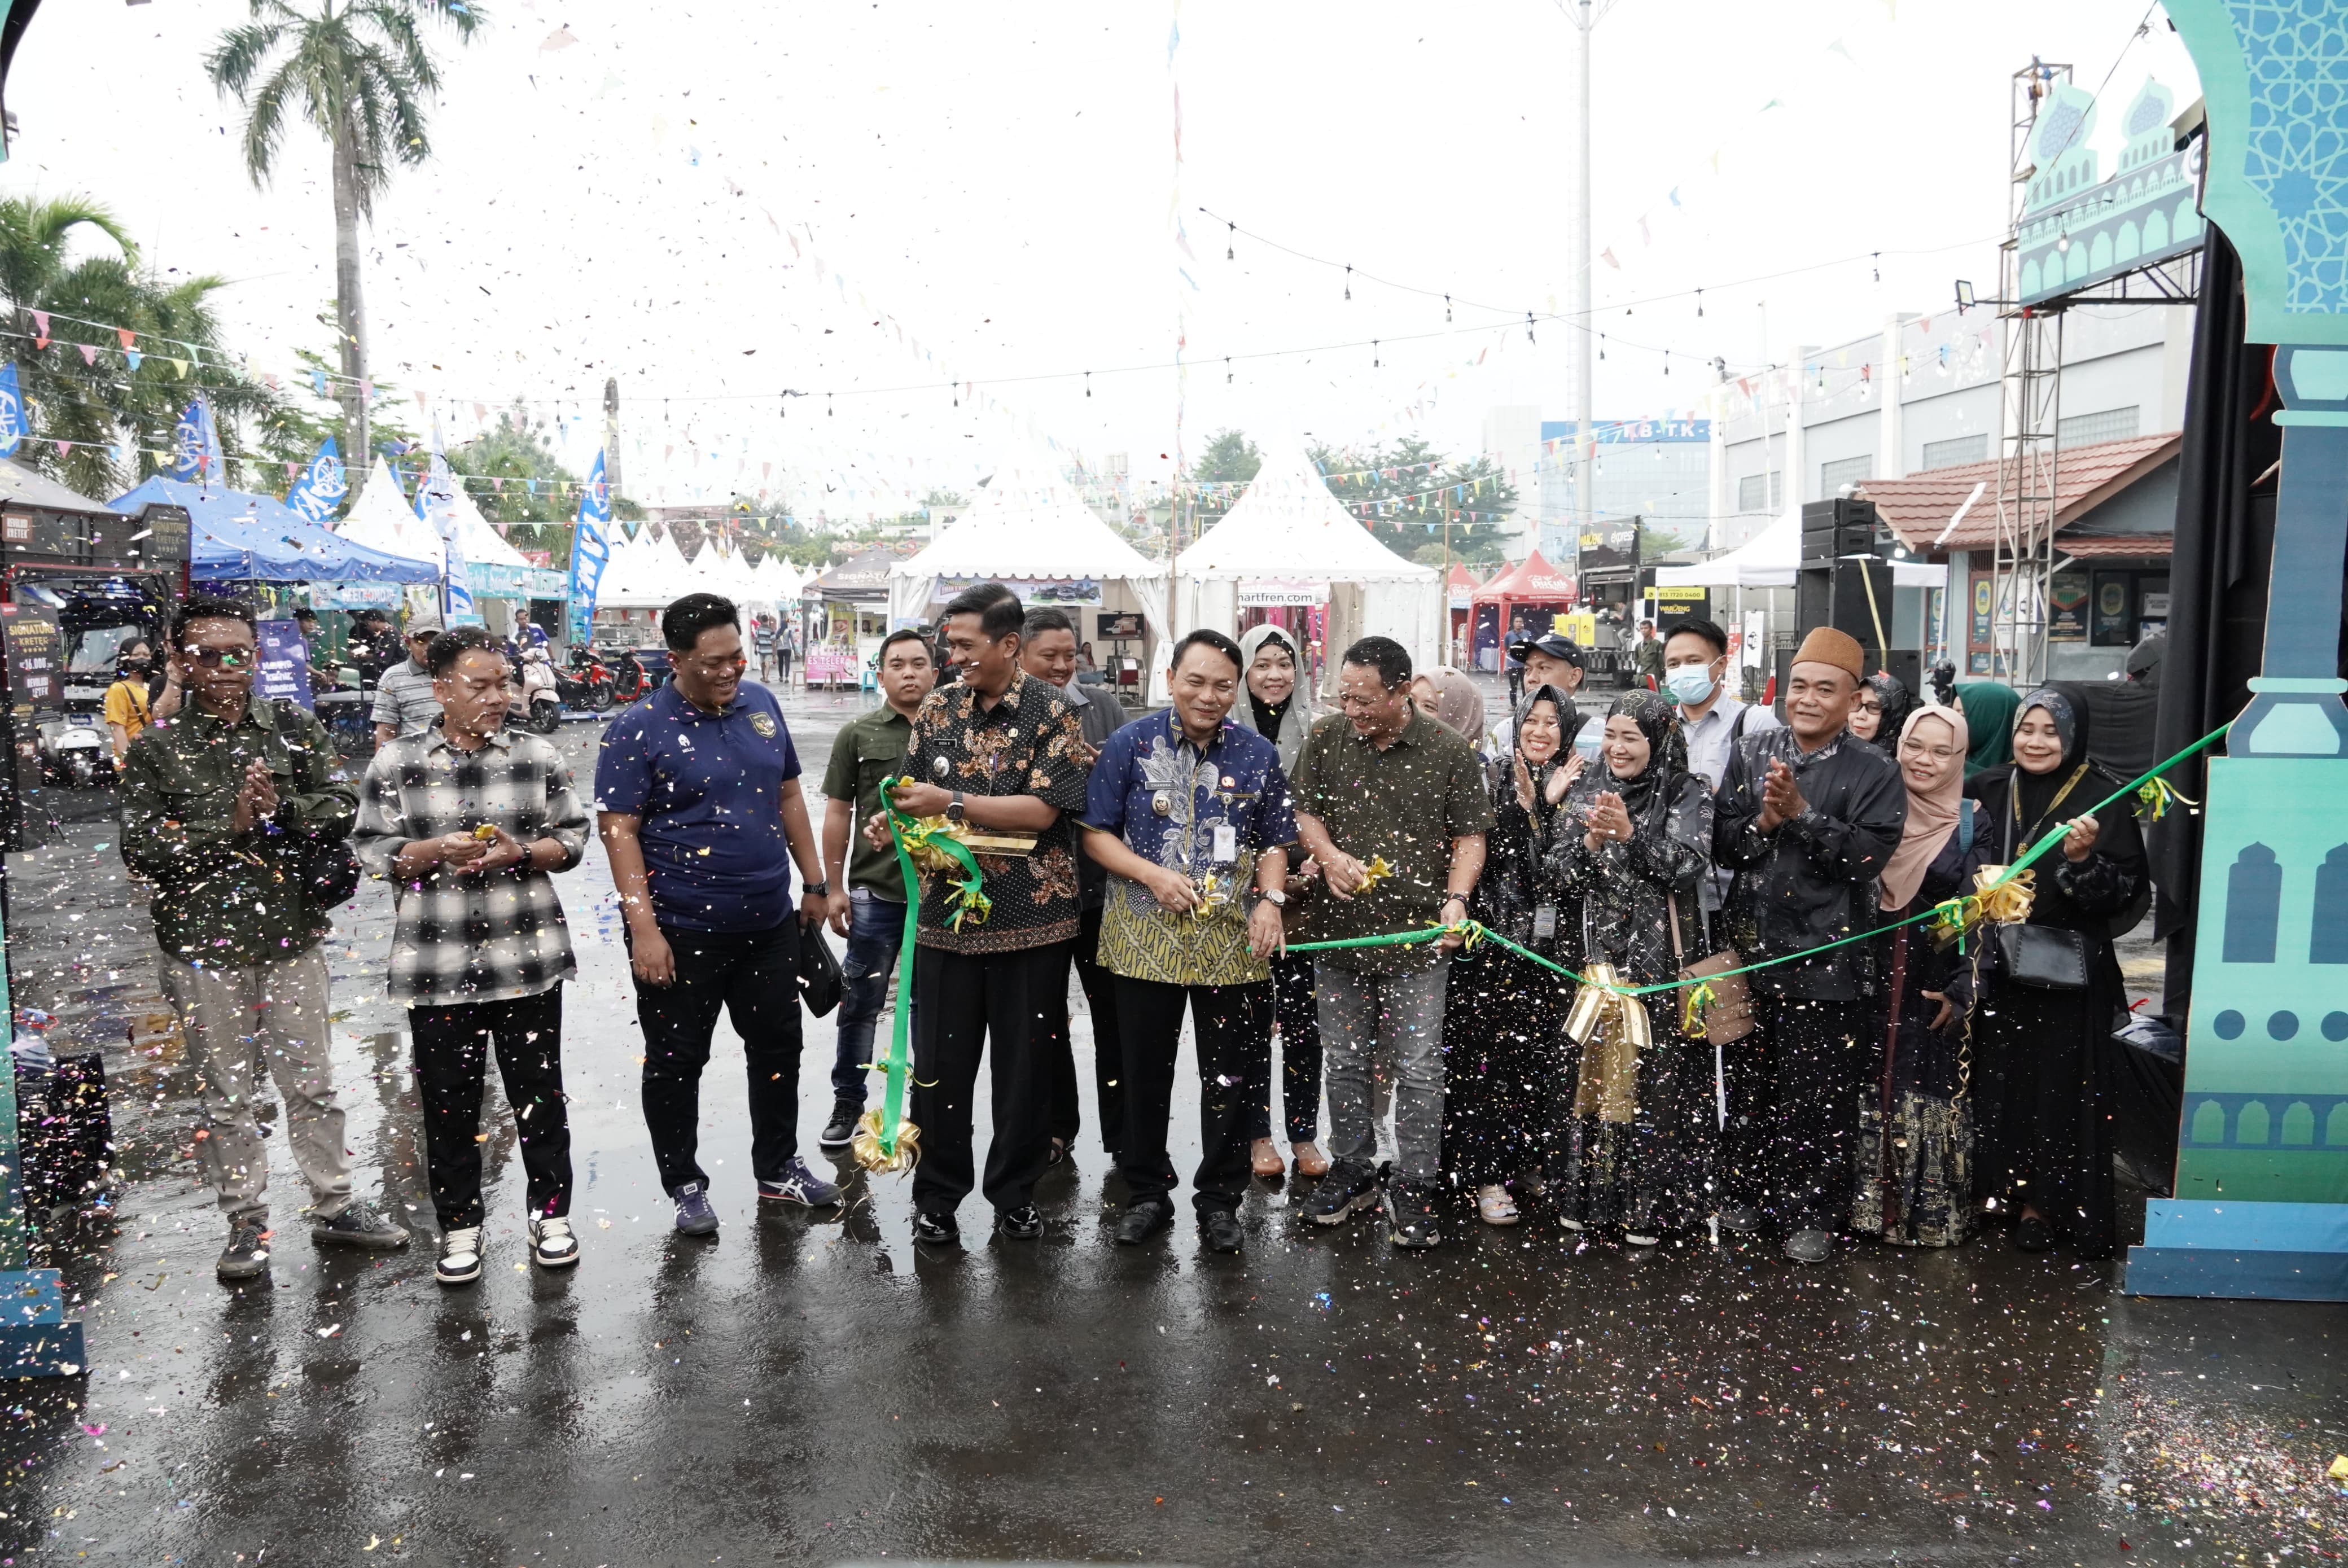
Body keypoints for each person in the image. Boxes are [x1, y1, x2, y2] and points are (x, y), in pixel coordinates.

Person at [119, 597, 409, 1281]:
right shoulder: (157, 748)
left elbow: (344, 806)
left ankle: (334, 1206)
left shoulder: (291, 726)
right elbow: (142, 851)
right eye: (207, 654)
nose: (224, 667)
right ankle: (244, 1222)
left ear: (256, 655)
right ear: (179, 661)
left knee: (312, 1083)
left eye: (238, 653)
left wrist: (286, 809)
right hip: (201, 945)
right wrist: (233, 823)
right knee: (226, 1094)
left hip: (290, 935)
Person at [595, 592, 839, 1237]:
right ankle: (684, 1183)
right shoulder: (636, 728)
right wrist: (643, 929)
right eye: (714, 663)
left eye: (738, 656)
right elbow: (618, 831)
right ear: (675, 659)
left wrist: (812, 881)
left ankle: (778, 1165)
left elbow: (787, 791)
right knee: (676, 1061)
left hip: (767, 923)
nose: (731, 670)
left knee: (777, 1046)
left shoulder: (760, 706)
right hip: (679, 930)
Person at [353, 625, 589, 1284]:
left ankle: (551, 1215)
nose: (496, 697)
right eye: (478, 685)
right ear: (439, 690)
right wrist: (432, 852)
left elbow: (571, 838)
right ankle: (460, 1225)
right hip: (437, 965)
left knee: (539, 1096)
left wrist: (522, 852)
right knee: (449, 1104)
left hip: (528, 959)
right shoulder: (397, 763)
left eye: (503, 684)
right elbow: (373, 849)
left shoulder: (535, 755)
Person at [870, 582, 1093, 1249]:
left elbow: (1044, 810)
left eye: (965, 645)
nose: (952, 655)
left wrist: (953, 800)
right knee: (940, 1069)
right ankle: (936, 1198)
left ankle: (1014, 1196)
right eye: (950, 644)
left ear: (1006, 645)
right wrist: (894, 817)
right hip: (946, 926)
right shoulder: (937, 709)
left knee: (1023, 1073)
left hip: (1034, 923)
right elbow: (916, 797)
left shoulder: (1054, 713)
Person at [1080, 630, 1293, 1253]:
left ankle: (1220, 1199)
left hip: (1231, 941)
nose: (1208, 695)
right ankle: (1146, 1192)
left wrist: (1270, 902)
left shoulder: (1256, 754)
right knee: (1142, 1073)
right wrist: (1150, 874)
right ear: (1169, 678)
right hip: (1141, 937)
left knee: (1228, 1077)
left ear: (1237, 687)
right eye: (1195, 681)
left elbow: (1276, 841)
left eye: (1223, 684)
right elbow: (1095, 833)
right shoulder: (1128, 743)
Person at [1710, 626, 1906, 1263]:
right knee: (1747, 1087)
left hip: (1827, 961)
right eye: (1798, 686)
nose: (1808, 700)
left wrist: (1800, 814)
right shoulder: (1752, 749)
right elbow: (1725, 846)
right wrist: (1766, 820)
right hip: (1750, 951)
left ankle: (1808, 1213)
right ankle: (1742, 1195)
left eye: (1825, 690)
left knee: (1815, 1099)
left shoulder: (1875, 770)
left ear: (1853, 702)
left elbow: (1864, 858)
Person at [1290, 636, 1493, 1249]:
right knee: (1346, 1061)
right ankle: (1351, 1169)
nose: (1351, 709)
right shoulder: (1326, 739)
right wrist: (1325, 856)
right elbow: (1304, 814)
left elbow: (1470, 839)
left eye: (1365, 699)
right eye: (1344, 696)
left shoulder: (1449, 753)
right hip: (1340, 934)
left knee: (1418, 1068)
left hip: (1418, 939)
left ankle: (1413, 1182)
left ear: (1402, 690)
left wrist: (1456, 899)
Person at [1965, 685, 2147, 1258]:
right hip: (1993, 970)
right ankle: (1997, 1190)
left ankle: (2045, 1204)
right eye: (2026, 729)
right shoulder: (1987, 787)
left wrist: (2080, 863)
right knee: (1997, 1084)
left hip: (2064, 979)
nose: (2034, 742)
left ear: (2071, 737)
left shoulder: (2101, 798)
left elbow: (2120, 896)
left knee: (2054, 1092)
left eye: (2049, 732)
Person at [1547, 691, 1718, 1246]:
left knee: (1656, 1087)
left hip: (1659, 971)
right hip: (1596, 968)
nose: (1617, 748)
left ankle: (1652, 1208)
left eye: (1632, 737)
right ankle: (1591, 1202)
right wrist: (1589, 841)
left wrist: (1631, 837)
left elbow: (1685, 865)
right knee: (1594, 1083)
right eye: (1612, 735)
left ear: (1659, 740)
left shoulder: (1685, 791)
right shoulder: (1588, 788)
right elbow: (1556, 876)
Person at [1444, 683, 1582, 1225]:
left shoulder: (1582, 781)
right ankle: (1485, 1174)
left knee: (1542, 1064)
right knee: (1487, 1065)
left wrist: (1546, 810)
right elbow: (1489, 857)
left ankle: (1527, 1160)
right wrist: (1528, 810)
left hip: (1552, 956)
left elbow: (1564, 874)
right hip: (1493, 949)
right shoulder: (1492, 774)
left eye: (1553, 722)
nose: (1541, 731)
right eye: (1533, 720)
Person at [1852, 706, 1987, 1250]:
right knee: (1863, 1078)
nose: (1924, 761)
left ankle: (1922, 1216)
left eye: (1940, 751)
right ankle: (1863, 1210)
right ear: (1899, 744)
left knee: (1921, 1084)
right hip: (1866, 973)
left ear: (1958, 758)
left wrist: (1965, 987)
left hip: (1929, 980)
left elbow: (1982, 911)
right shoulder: (1871, 803)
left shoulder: (1973, 819)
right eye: (1915, 746)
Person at [816, 628, 938, 1150]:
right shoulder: (859, 734)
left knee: (929, 1008)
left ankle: (927, 1105)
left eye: (918, 663)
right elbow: (838, 813)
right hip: (875, 896)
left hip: (942, 900)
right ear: (880, 673)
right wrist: (833, 887)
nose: (909, 673)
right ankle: (848, 1101)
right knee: (861, 1002)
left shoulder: (955, 734)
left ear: (936, 671)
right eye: (897, 665)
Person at [1017, 606, 1123, 1162]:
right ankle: (1056, 1128)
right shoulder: (1006, 716)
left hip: (1099, 890)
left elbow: (1130, 787)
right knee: (1043, 1019)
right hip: (1032, 894)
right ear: (1018, 655)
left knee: (1114, 1015)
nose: (1062, 666)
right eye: (1048, 657)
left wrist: (1102, 765)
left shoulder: (1102, 706)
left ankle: (1123, 1133)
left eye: (1069, 655)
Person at [1231, 624, 1326, 1178]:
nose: (1274, 675)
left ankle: (1305, 1136)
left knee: (1302, 1023)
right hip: (1241, 896)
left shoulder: (1315, 732)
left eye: (1284, 664)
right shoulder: (1225, 735)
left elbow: (1329, 809)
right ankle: (1257, 1134)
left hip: (1306, 901)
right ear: (1244, 671)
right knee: (1247, 1022)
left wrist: (1314, 861)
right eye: (1262, 664)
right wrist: (1255, 876)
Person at [1661, 618, 1780, 791]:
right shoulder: (1660, 727)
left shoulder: (1755, 725)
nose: (1683, 670)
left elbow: (1771, 800)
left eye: (1694, 661)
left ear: (1721, 665)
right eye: (1673, 664)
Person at [1493, 632, 1598, 763]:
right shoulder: (1505, 732)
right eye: (1527, 670)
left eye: (1543, 668)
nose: (1531, 678)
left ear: (1574, 677)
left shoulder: (1602, 735)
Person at [373, 615, 445, 747]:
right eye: (421, 641)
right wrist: (383, 765)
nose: (429, 648)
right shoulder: (393, 678)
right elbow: (386, 733)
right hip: (414, 761)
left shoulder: (456, 673)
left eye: (435, 640)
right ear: (408, 643)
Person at [103, 642, 155, 770]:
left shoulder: (153, 686)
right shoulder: (118, 689)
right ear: (126, 659)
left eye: (146, 654)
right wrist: (127, 762)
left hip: (153, 756)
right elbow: (117, 729)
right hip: (134, 758)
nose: (142, 658)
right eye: (136, 654)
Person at [1953, 681, 2020, 780]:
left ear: (1991, 722)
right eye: (1952, 714)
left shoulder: (2022, 783)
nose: (1952, 722)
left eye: (1962, 715)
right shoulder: (1942, 768)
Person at [1850, 671, 1916, 755]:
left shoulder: (1904, 764)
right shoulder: (1833, 752)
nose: (1860, 716)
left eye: (1874, 707)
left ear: (1893, 716)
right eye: (1856, 705)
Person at [1634, 620, 1665, 685]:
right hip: (1640, 679)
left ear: (1651, 630)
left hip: (1651, 679)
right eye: (1642, 628)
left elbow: (1661, 662)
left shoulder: (1657, 644)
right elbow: (1636, 661)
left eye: (1646, 628)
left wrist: (1661, 676)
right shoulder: (1638, 646)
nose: (1643, 630)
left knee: (1653, 695)